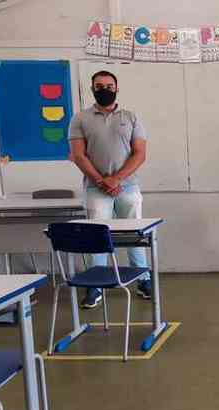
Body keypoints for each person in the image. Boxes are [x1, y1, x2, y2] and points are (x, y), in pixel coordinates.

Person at [68, 70, 151, 308]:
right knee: (97, 237)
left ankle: (143, 281)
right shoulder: (80, 119)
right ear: (92, 88)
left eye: (109, 85)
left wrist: (117, 179)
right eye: (99, 85)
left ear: (116, 88)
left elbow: (140, 153)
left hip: (128, 187)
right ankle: (96, 285)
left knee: (135, 235)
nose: (104, 89)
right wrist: (101, 180)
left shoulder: (131, 117)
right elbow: (78, 155)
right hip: (96, 189)